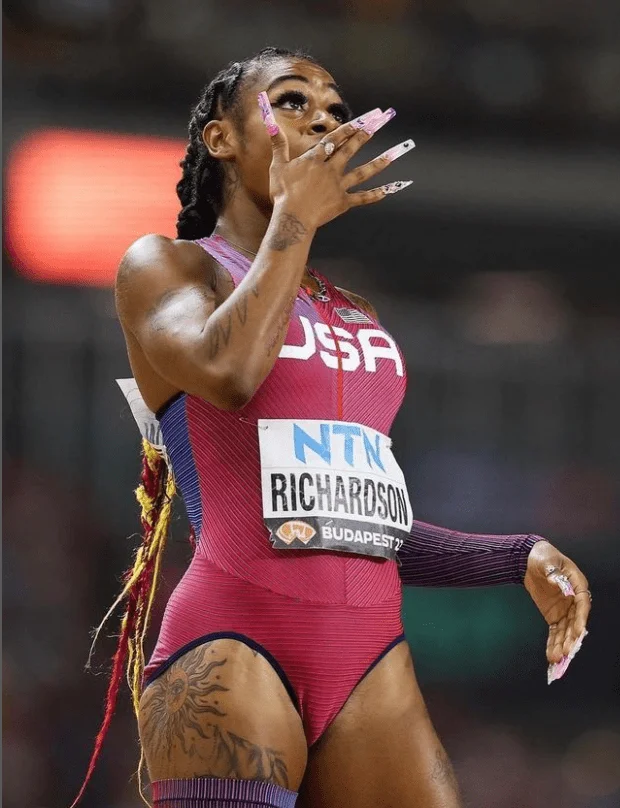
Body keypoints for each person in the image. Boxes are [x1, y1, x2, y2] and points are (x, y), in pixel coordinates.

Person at [73, 48, 592, 808]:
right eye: (290, 101)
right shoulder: (168, 267)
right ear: (220, 140)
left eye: (336, 109)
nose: (323, 117)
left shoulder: (355, 312)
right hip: (234, 642)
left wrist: (516, 556)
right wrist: (293, 219)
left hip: (370, 663)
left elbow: (355, 522)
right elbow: (228, 373)